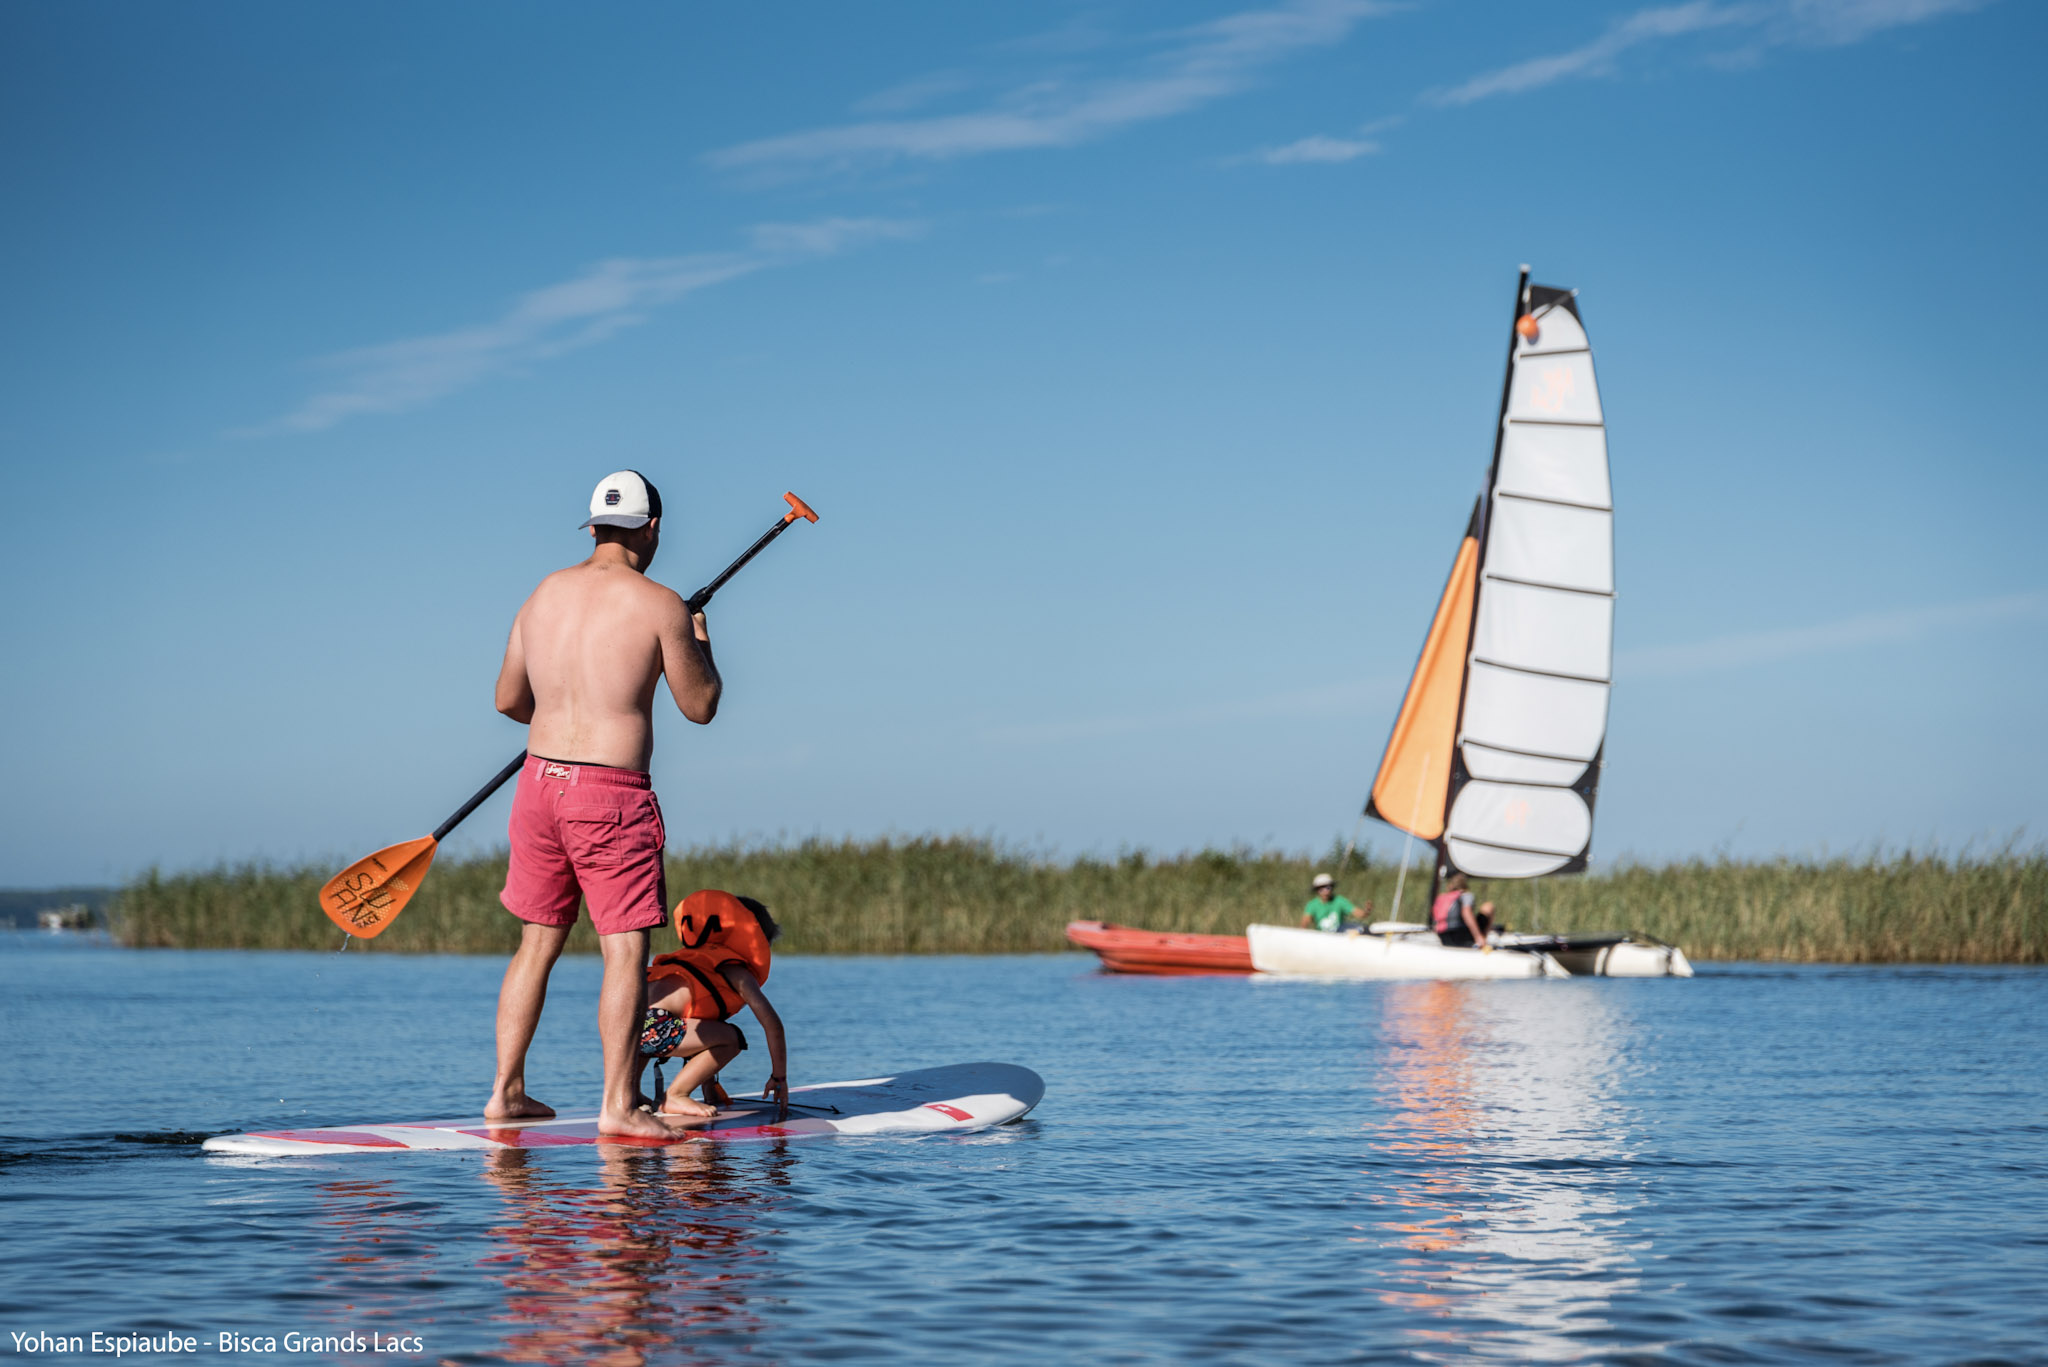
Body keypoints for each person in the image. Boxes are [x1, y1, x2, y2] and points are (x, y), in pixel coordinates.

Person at [484, 470, 722, 1141]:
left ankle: (505, 1092)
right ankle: (619, 1105)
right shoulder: (660, 604)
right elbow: (700, 706)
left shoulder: (542, 596)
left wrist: (562, 713)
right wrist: (701, 645)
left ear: (591, 528)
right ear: (652, 528)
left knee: (536, 944)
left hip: (537, 783)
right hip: (609, 794)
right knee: (624, 952)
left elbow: (508, 700)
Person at [640, 891, 789, 1119]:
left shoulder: (693, 959)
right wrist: (779, 1078)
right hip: (656, 1028)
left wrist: (709, 1090)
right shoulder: (735, 971)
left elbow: (699, 1033)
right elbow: (773, 1025)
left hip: (626, 1026)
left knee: (700, 1030)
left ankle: (631, 1093)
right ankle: (676, 1095)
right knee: (733, 1038)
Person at [1431, 873, 1495, 949]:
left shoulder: (1442, 897)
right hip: (1461, 936)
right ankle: (1482, 940)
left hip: (1444, 937)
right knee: (1488, 906)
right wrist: (1478, 937)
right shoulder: (1465, 895)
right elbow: (1466, 912)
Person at [1300, 873, 1369, 933]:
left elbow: (1359, 914)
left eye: (1328, 888)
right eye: (1321, 889)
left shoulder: (1339, 900)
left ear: (1332, 888)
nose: (1325, 891)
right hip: (1322, 936)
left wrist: (1367, 911)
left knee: (1359, 928)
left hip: (1339, 933)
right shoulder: (1312, 904)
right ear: (1317, 891)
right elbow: (1305, 923)